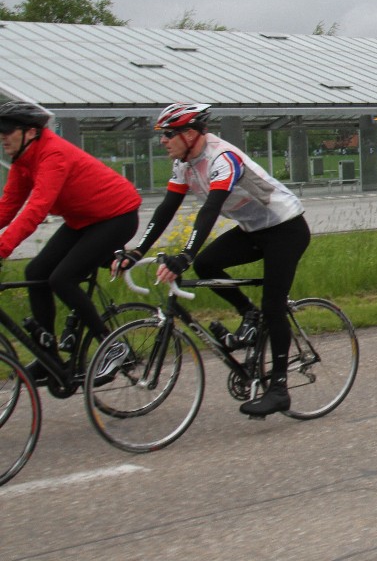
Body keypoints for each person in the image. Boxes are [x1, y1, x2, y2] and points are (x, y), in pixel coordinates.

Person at [113, 103, 310, 417]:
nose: (163, 140)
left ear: (190, 134)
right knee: (206, 265)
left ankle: (279, 389)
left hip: (285, 229)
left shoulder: (223, 158)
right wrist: (137, 251)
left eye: (168, 134)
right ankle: (249, 313)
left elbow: (210, 210)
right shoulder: (184, 164)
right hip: (253, 230)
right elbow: (167, 208)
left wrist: (185, 256)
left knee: (273, 305)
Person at [0, 100, 141, 385]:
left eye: (7, 131)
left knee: (62, 279)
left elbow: (36, 209)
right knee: (35, 272)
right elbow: (8, 206)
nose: (2, 137)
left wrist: (2, 249)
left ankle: (113, 347)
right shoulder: (23, 160)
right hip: (83, 220)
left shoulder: (52, 154)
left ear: (30, 132)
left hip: (117, 216)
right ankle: (48, 357)